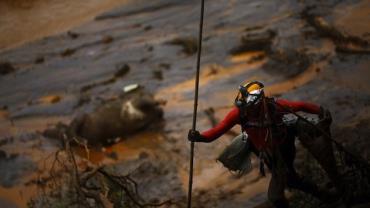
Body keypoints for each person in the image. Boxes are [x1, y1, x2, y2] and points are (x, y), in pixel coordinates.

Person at [188, 81, 340, 208]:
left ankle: (330, 188)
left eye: (248, 107)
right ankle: (325, 195)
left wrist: (321, 111)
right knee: (289, 182)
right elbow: (217, 131)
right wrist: (199, 137)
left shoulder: (275, 107)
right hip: (268, 154)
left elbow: (300, 105)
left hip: (284, 145)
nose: (245, 110)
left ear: (258, 103)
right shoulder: (239, 114)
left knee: (277, 193)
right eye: (242, 107)